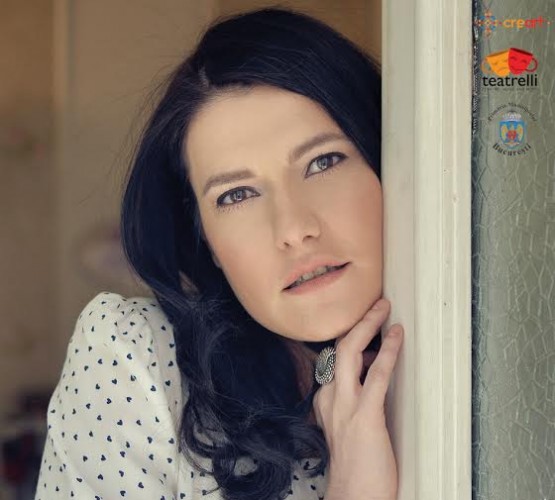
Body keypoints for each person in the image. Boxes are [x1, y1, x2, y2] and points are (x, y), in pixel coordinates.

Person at [34, 6, 404, 500]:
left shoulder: (469, 348)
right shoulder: (136, 360)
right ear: (205, 238)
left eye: (323, 162)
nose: (294, 229)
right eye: (236, 195)